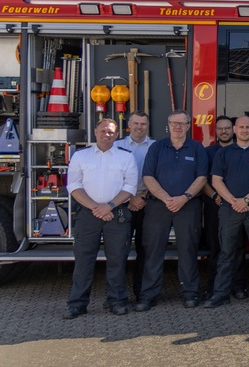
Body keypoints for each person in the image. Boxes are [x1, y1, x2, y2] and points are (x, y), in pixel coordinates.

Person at [63, 119, 138, 319]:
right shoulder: (81, 156)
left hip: (116, 213)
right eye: (103, 131)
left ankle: (117, 301)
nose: (107, 135)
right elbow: (73, 186)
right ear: (95, 132)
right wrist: (97, 208)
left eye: (111, 132)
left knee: (117, 260)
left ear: (117, 134)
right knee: (83, 261)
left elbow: (130, 186)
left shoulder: (126, 157)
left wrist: (109, 206)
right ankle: (77, 304)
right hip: (89, 214)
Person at [139, 111, 209, 311]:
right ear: (168, 125)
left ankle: (190, 293)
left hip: (188, 206)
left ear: (188, 126)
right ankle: (148, 295)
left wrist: (184, 197)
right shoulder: (157, 147)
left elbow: (202, 177)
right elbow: (148, 177)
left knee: (188, 250)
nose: (178, 127)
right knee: (153, 250)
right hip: (158, 206)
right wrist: (166, 198)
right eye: (174, 123)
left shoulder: (197, 148)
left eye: (182, 123)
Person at [205, 115, 249, 307]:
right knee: (226, 253)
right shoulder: (223, 154)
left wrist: (245, 200)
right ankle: (220, 294)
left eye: (248, 127)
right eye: (241, 127)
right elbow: (216, 181)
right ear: (235, 130)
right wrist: (233, 201)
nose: (244, 130)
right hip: (229, 210)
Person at [115, 111, 154, 301]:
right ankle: (117, 296)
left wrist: (143, 197)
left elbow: (159, 176)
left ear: (148, 125)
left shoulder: (156, 147)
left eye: (143, 124)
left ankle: (142, 293)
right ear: (129, 124)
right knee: (119, 251)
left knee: (145, 250)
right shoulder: (116, 146)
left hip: (148, 203)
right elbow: (112, 178)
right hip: (123, 204)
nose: (140, 127)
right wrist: (130, 198)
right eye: (136, 123)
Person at [202, 116, 235, 296]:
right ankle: (214, 285)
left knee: (235, 247)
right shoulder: (207, 152)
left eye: (227, 128)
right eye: (221, 128)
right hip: (215, 205)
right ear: (216, 131)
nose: (224, 131)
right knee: (215, 246)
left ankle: (237, 286)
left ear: (233, 130)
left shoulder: (241, 150)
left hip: (236, 207)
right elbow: (202, 179)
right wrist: (215, 195)